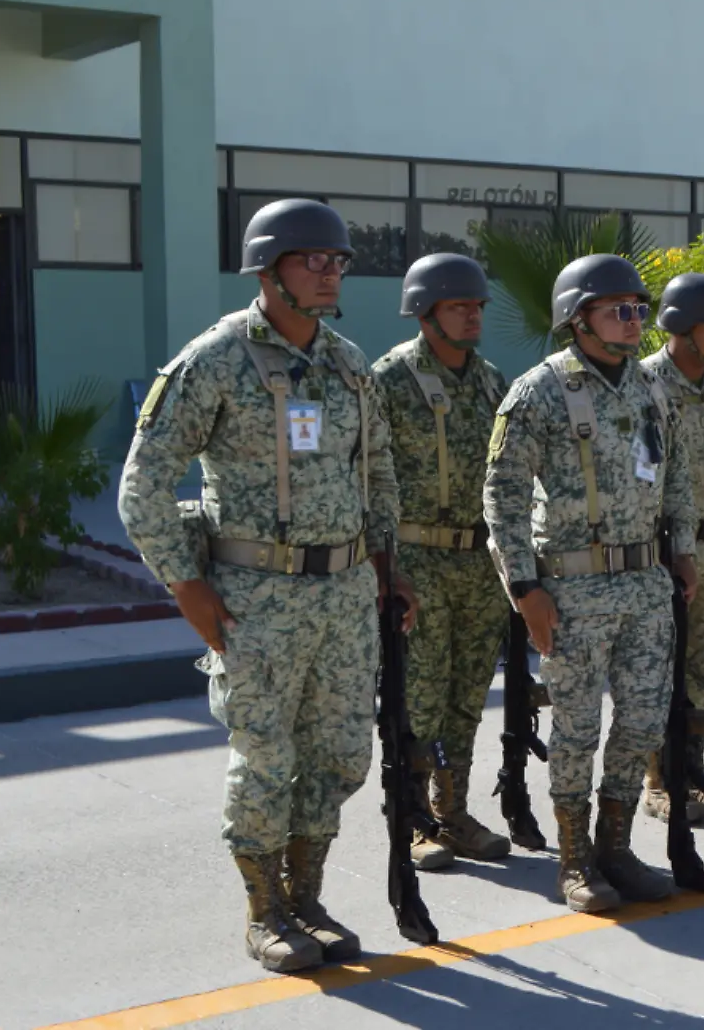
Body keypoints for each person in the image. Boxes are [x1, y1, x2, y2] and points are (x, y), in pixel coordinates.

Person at [119, 198, 413, 973]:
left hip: (346, 595)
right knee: (265, 759)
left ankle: (305, 895)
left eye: (338, 260)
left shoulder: (349, 364)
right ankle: (263, 909)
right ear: (269, 269)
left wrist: (387, 565)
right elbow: (143, 483)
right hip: (257, 599)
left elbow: (378, 470)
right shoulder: (215, 360)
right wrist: (186, 586)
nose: (328, 272)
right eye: (312, 259)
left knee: (342, 754)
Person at [482, 254, 700, 912]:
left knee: (640, 724)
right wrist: (524, 589)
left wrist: (682, 550)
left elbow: (679, 474)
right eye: (619, 310)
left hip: (644, 588)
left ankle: (617, 846)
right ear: (577, 320)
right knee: (575, 732)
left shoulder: (652, 386)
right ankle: (575, 860)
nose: (635, 321)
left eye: (639, 309)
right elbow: (502, 497)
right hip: (571, 593)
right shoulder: (540, 391)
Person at [373, 253, 512, 871]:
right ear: (426, 314)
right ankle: (411, 817)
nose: (473, 316)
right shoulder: (389, 379)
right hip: (418, 560)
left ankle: (451, 812)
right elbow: (367, 473)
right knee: (417, 696)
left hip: (480, 563)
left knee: (466, 695)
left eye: (478, 306)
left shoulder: (492, 383)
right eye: (459, 306)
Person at [640, 273, 704, 822]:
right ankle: (659, 777)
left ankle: (693, 765)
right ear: (681, 327)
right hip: (663, 551)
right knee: (662, 667)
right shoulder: (645, 387)